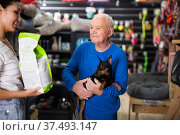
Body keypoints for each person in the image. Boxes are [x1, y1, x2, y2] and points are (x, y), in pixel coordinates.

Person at [62, 13, 128, 120]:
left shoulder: (119, 54)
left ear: (110, 32)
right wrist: (74, 86)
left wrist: (100, 91)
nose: (93, 31)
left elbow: (122, 87)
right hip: (79, 114)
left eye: (98, 28)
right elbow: (67, 70)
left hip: (105, 116)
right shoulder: (82, 48)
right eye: (91, 27)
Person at [0, 0, 42, 120]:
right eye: (16, 13)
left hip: (16, 108)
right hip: (6, 111)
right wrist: (24, 93)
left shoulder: (6, 41)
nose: (19, 19)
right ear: (1, 10)